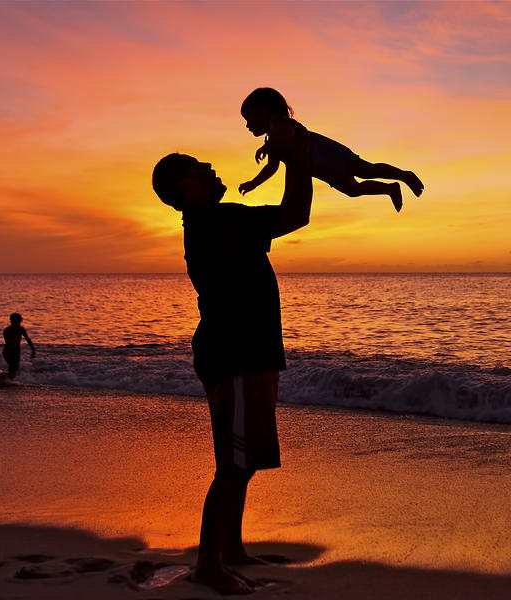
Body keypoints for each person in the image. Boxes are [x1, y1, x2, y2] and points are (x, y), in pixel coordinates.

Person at [151, 122, 312, 595]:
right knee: (234, 463)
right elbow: (295, 214)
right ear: (183, 187)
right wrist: (298, 157)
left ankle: (232, 549)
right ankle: (208, 566)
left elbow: (289, 217)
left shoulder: (216, 222)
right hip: (236, 354)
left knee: (242, 456)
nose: (212, 169)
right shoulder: (217, 222)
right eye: (201, 169)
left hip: (246, 351)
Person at [237, 87, 423, 212]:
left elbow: (286, 134)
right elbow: (272, 167)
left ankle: (404, 175)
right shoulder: (272, 139)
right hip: (326, 172)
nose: (247, 125)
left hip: (332, 157)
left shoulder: (280, 123)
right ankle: (390, 189)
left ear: (265, 112)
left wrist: (268, 145)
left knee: (367, 170)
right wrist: (253, 183)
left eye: (249, 119)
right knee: (354, 190)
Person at [2, 312, 35, 380]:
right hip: (12, 350)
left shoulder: (7, 329)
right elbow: (27, 339)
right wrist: (33, 350)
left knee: (12, 367)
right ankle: (8, 379)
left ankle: (7, 379)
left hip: (8, 350)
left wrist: (33, 350)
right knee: (13, 367)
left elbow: (27, 339)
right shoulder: (18, 329)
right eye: (18, 321)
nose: (19, 323)